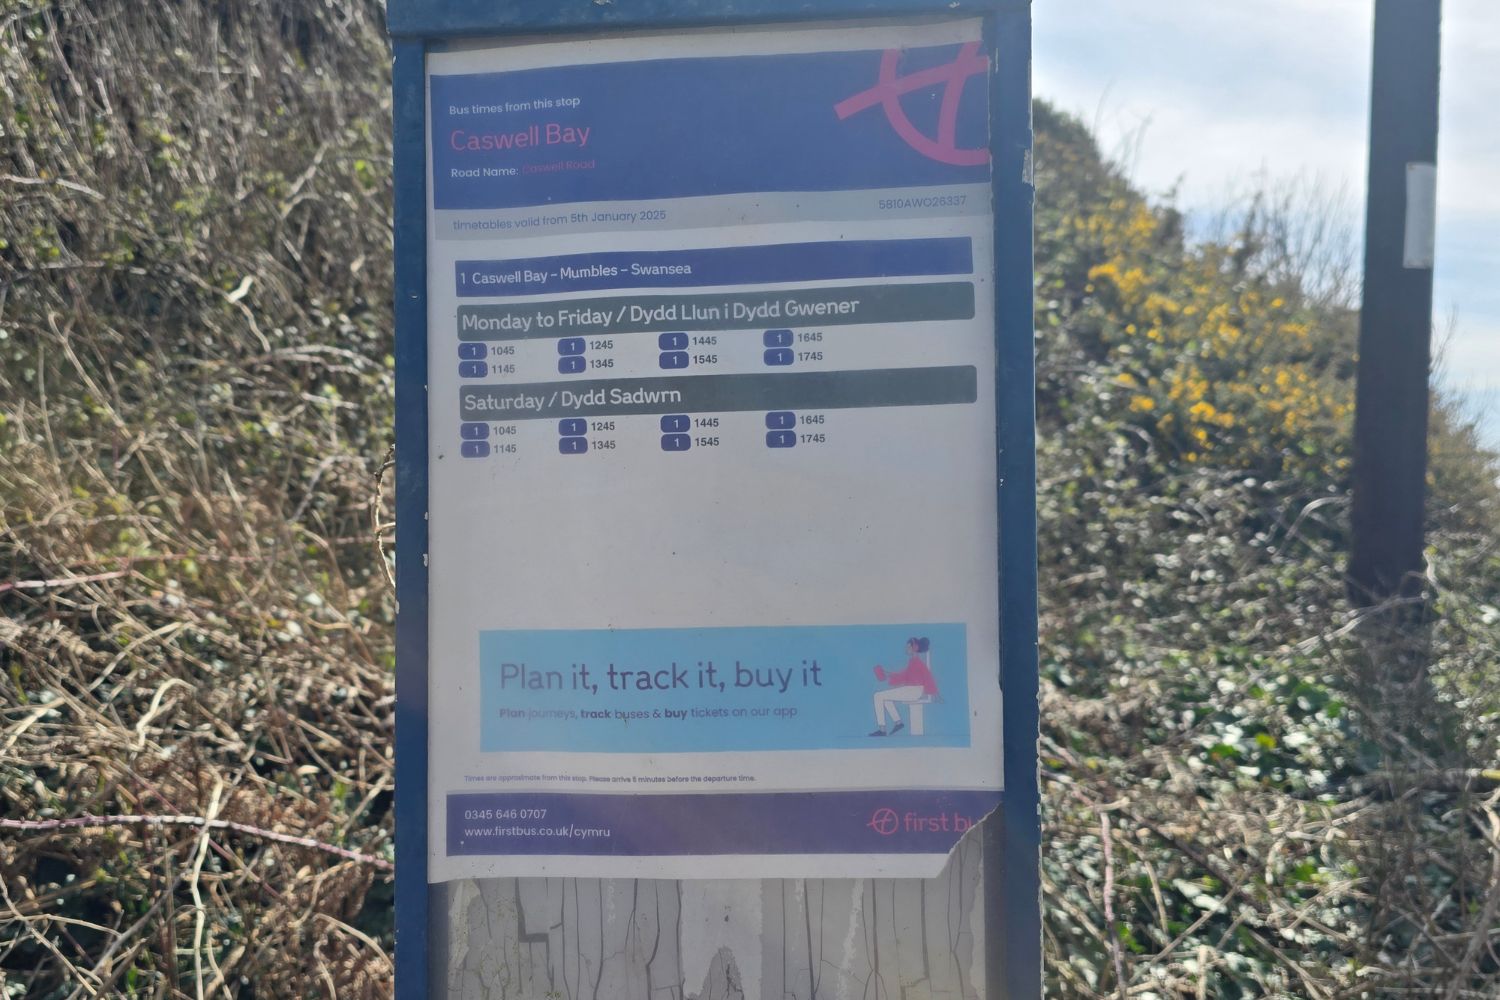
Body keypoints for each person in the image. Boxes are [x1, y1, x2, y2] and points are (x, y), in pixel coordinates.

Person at [869, 637, 936, 736]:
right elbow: (904, 675)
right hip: (912, 690)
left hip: (912, 691)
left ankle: (883, 729)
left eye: (908, 647)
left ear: (915, 648)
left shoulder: (917, 662)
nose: (906, 649)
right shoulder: (913, 662)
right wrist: (888, 673)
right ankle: (898, 723)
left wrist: (932, 693)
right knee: (885, 699)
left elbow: (920, 677)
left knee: (877, 696)